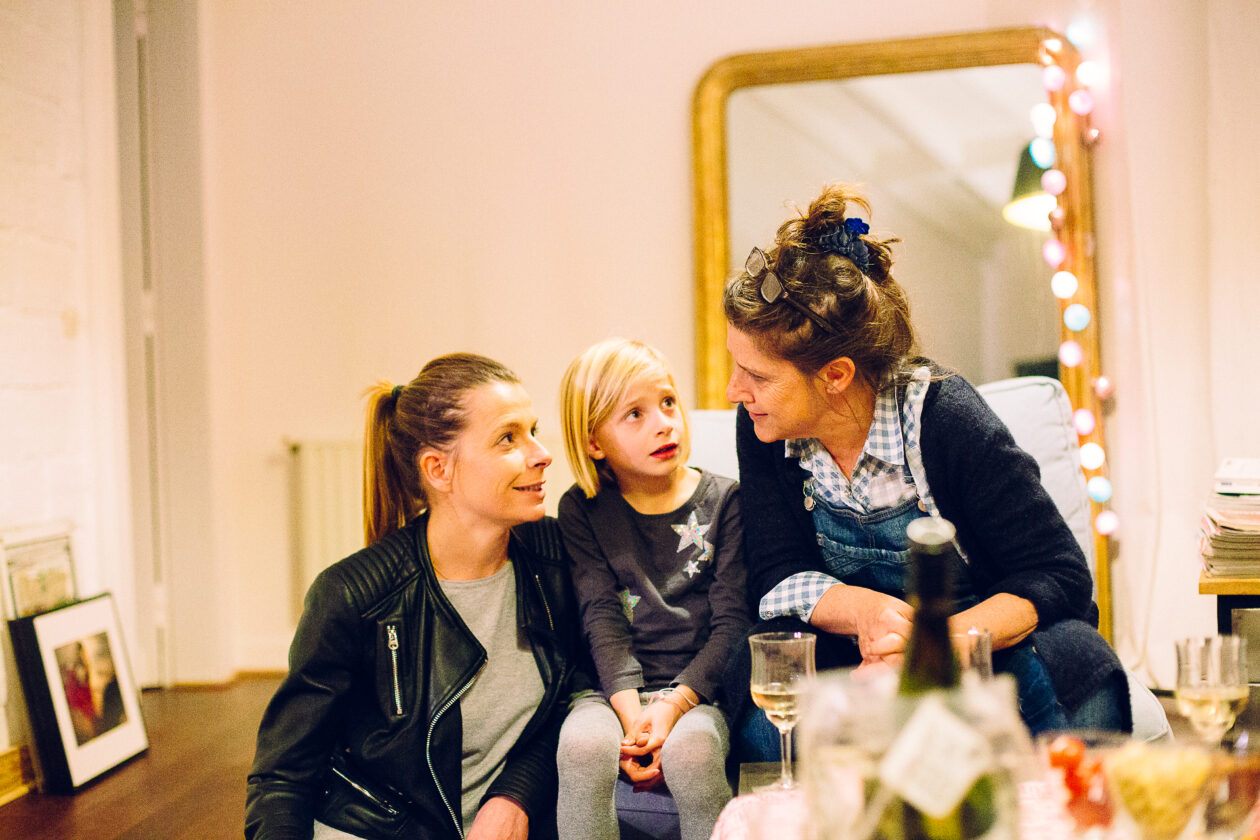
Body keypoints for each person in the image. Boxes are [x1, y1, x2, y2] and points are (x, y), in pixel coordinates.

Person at [720, 184, 1130, 752]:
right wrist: (867, 613)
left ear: (836, 375)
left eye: (757, 376)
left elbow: (1057, 573)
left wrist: (933, 645)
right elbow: (775, 571)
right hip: (854, 650)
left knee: (1084, 676)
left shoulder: (945, 416)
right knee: (760, 693)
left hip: (977, 639)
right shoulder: (762, 427)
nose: (734, 390)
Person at [246, 353, 586, 840]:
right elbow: (282, 778)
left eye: (533, 431)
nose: (541, 453)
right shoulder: (352, 595)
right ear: (437, 469)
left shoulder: (556, 558)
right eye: (508, 438)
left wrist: (516, 794)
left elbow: (575, 695)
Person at [554, 339, 749, 840]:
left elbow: (732, 624)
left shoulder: (727, 500)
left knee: (694, 752)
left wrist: (672, 706)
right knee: (581, 747)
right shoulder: (583, 509)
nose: (664, 423)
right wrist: (633, 717)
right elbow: (601, 616)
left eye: (667, 402)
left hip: (696, 691)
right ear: (594, 443)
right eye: (634, 414)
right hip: (611, 691)